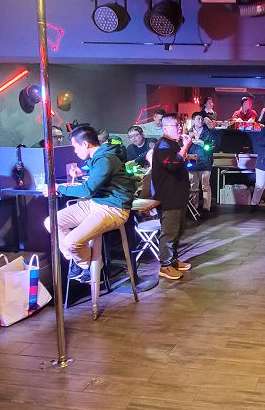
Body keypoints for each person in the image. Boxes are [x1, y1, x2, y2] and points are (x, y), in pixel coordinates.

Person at [47, 126, 135, 284]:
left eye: (75, 147)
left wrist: (58, 188)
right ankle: (82, 260)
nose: (75, 151)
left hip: (113, 208)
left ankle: (89, 265)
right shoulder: (100, 158)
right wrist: (82, 174)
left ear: (85, 144)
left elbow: (87, 190)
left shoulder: (104, 159)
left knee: (71, 242)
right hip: (96, 203)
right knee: (51, 222)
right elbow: (98, 181)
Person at [150, 116, 194, 280]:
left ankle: (173, 260)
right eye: (176, 125)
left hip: (178, 194)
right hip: (169, 196)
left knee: (177, 230)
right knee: (169, 232)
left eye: (180, 125)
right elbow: (172, 165)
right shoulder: (163, 145)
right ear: (165, 128)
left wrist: (185, 151)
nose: (180, 128)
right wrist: (185, 147)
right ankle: (165, 265)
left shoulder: (171, 144)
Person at [188, 111, 216, 213]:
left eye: (201, 119)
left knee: (205, 186)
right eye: (198, 119)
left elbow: (213, 147)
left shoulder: (208, 132)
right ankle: (194, 206)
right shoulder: (188, 133)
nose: (200, 121)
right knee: (193, 186)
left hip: (205, 162)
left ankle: (206, 208)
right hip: (192, 163)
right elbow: (183, 147)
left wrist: (203, 144)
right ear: (193, 121)